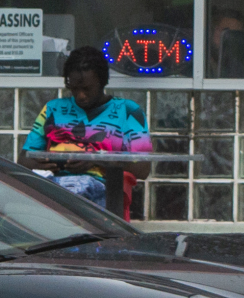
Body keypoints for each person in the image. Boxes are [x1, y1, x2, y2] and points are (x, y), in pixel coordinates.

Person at [19, 46, 152, 209]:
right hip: (53, 184)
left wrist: (96, 160)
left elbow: (143, 168)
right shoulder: (53, 109)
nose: (80, 96)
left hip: (100, 188)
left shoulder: (128, 111)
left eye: (87, 89)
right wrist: (44, 164)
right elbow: (23, 159)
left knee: (79, 188)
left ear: (103, 82)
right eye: (74, 89)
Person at [208, 7, 244, 77]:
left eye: (236, 34)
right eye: (225, 33)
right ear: (212, 32)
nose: (230, 39)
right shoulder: (199, 67)